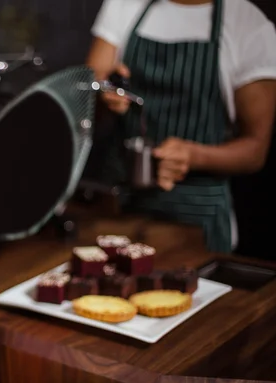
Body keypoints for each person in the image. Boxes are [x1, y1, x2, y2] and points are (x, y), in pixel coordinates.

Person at [86, 0, 276, 253]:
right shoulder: (125, 5)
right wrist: (103, 95)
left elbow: (255, 150)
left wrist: (193, 156)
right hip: (118, 207)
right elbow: (85, 96)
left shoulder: (248, 24)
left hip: (197, 219)